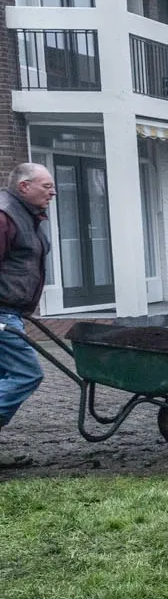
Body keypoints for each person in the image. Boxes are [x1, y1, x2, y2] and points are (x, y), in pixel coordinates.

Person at [0, 163, 55, 467]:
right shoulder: (4, 216)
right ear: (24, 187)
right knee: (26, 374)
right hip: (2, 314)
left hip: (12, 311)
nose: (53, 192)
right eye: (46, 186)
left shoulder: (26, 216)